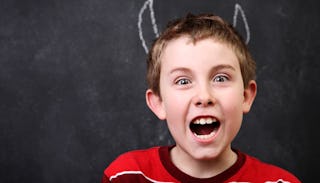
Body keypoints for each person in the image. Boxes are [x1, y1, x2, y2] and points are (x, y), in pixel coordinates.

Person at [101, 13, 301, 183]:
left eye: (221, 78)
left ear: (245, 96)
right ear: (159, 103)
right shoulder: (126, 176)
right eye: (182, 81)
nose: (204, 97)